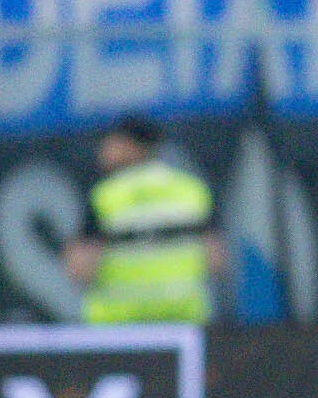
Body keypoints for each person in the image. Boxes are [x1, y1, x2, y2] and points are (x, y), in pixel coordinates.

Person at [62, 118, 218, 324]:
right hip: (184, 319)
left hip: (119, 324)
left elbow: (79, 266)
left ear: (131, 146)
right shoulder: (190, 189)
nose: (104, 151)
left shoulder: (107, 196)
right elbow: (216, 258)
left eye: (112, 143)